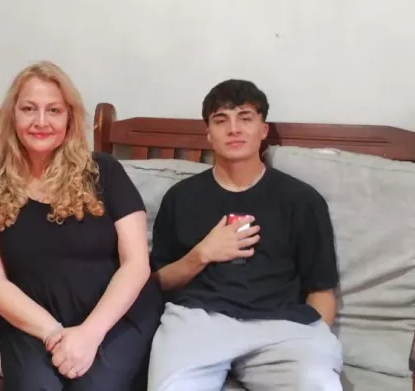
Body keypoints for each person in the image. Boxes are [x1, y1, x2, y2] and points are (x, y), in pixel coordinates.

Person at [0, 61, 163, 390]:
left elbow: (136, 264)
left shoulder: (104, 172)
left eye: (54, 110)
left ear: (69, 118)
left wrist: (89, 334)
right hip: (32, 323)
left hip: (113, 317)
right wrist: (53, 333)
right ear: (12, 116)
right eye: (28, 109)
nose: (41, 121)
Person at [146, 79, 343, 391]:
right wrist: (202, 254)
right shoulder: (180, 198)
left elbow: (321, 291)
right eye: (221, 120)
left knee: (318, 383)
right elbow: (157, 282)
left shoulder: (303, 200)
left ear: (263, 130)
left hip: (282, 326)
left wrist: (313, 342)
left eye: (245, 118)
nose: (234, 129)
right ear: (208, 133)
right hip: (198, 321)